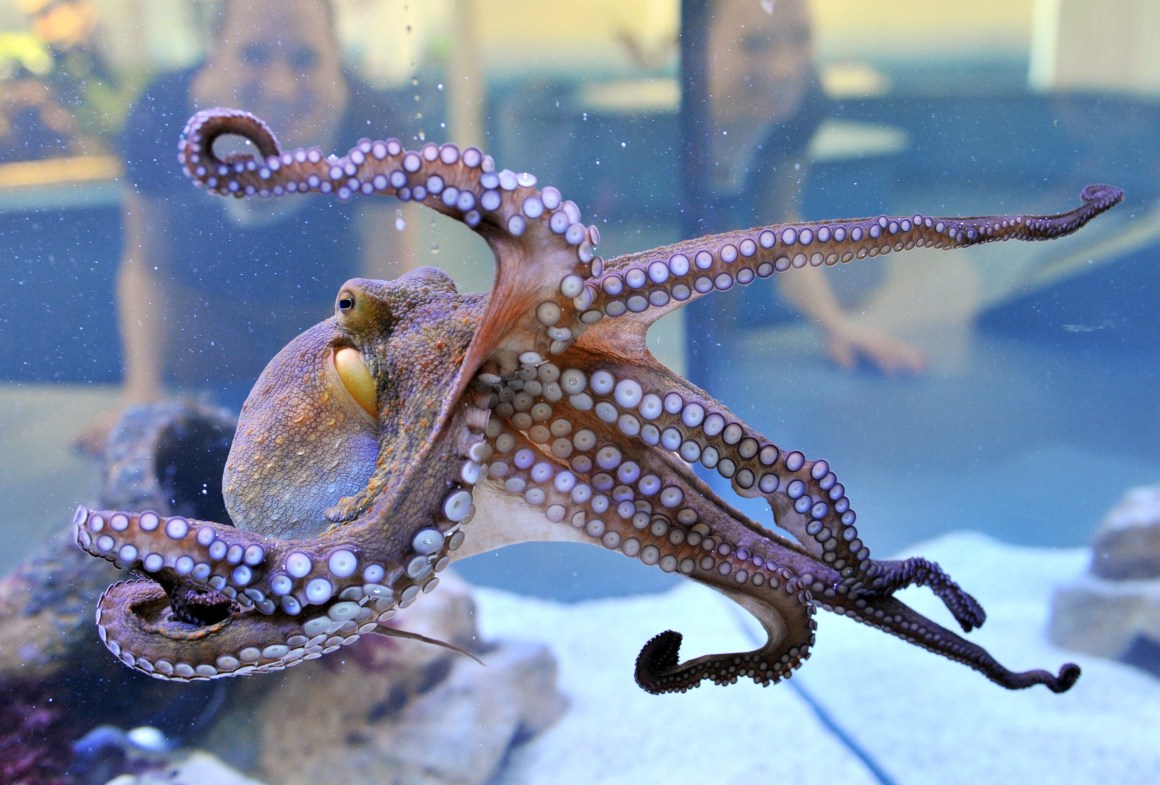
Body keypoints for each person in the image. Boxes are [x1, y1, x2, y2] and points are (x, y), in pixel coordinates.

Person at [78, 0, 422, 453]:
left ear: (335, 52)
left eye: (305, 59)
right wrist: (141, 394)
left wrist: (392, 408)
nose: (279, 88)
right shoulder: (159, 114)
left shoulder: (374, 126)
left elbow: (389, 295)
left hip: (321, 342)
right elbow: (146, 262)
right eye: (254, 55)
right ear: (215, 48)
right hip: (201, 340)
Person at [688, 0, 924, 376]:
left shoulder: (805, 104)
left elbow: (777, 220)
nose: (786, 68)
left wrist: (836, 326)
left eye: (801, 37)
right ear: (695, 48)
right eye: (754, 44)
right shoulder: (653, 129)